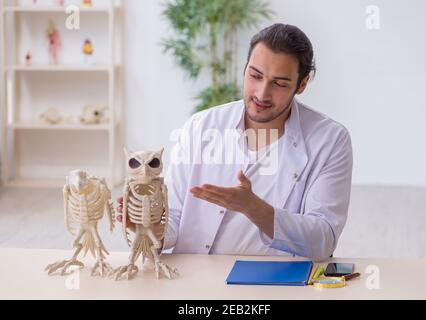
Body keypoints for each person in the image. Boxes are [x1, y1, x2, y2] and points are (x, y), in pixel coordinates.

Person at [117, 23, 353, 261]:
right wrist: (148, 228)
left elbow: (323, 240)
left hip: (276, 283)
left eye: (279, 84)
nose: (261, 94)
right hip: (196, 279)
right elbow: (175, 216)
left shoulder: (330, 140)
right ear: (245, 68)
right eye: (255, 75)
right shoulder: (201, 126)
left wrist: (254, 208)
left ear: (301, 85)